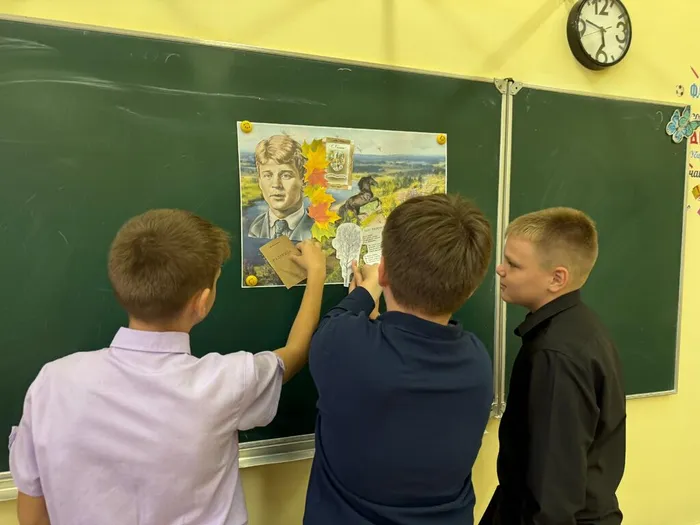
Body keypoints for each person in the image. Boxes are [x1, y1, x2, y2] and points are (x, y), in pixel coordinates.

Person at [9, 209, 326, 525]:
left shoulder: (53, 382)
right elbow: (295, 353)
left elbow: (33, 515)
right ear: (202, 302)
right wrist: (317, 275)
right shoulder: (228, 381)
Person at [304, 194, 495, 525]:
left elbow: (337, 323)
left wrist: (366, 291)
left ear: (383, 271)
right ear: (471, 289)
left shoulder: (342, 343)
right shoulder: (476, 360)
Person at [480, 207, 626, 525]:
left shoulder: (555, 356)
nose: (500, 270)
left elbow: (552, 494)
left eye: (514, 265)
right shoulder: (582, 327)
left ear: (557, 279)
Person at [248, 134, 315, 240]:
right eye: (268, 175)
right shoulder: (256, 228)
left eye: (286, 175)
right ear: (259, 181)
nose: (276, 184)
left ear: (304, 180)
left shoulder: (316, 230)